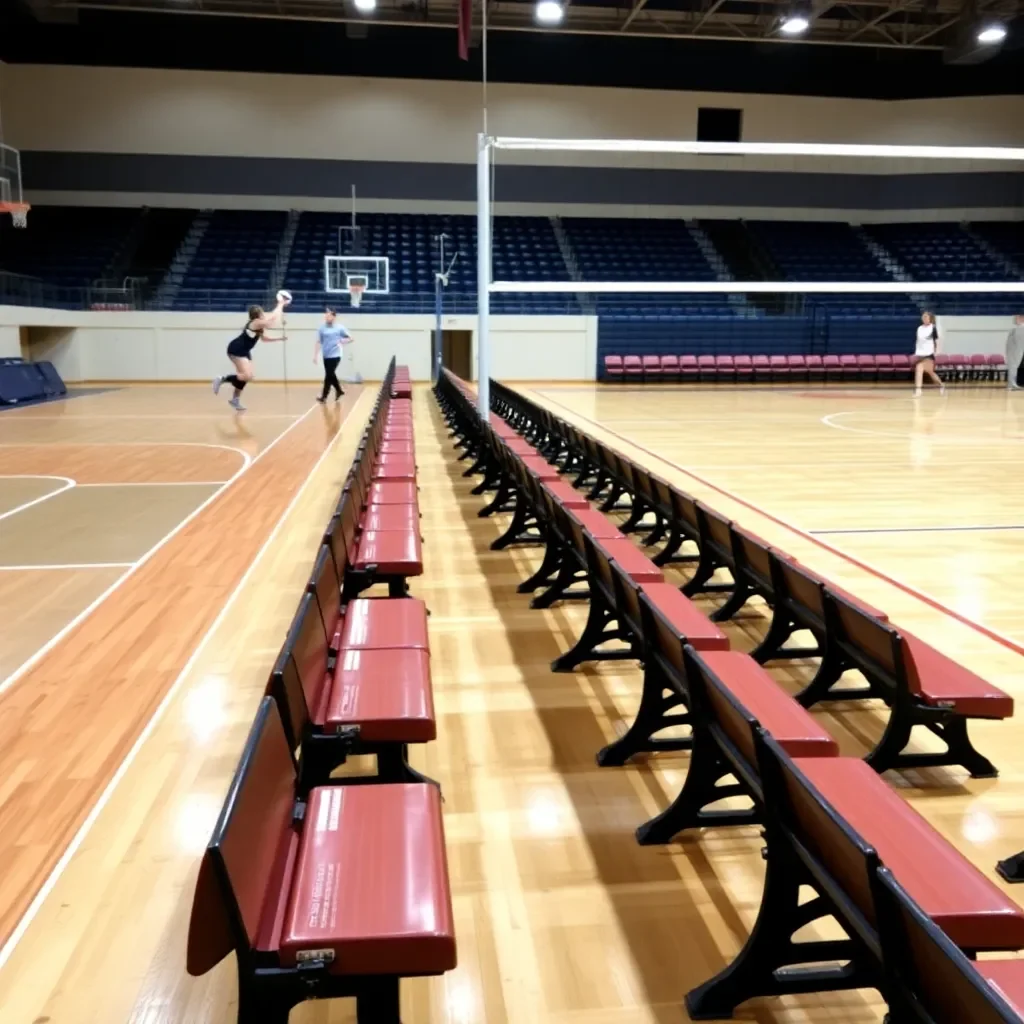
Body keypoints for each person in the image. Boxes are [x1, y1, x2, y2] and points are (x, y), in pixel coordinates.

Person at [212, 294, 290, 411]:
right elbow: (272, 319)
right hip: (236, 349)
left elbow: (264, 339)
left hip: (245, 350)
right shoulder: (256, 322)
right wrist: (280, 305)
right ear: (258, 315)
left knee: (246, 377)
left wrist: (279, 339)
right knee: (246, 375)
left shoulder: (259, 325)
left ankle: (235, 400)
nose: (264, 314)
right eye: (262, 313)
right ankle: (222, 378)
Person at [313, 307, 351, 403]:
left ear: (334, 317)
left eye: (329, 315)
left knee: (329, 374)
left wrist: (343, 341)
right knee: (330, 375)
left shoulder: (340, 328)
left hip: (336, 354)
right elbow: (318, 342)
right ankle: (339, 390)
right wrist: (315, 355)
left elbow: (350, 338)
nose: (326, 316)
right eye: (326, 315)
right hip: (326, 355)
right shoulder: (322, 328)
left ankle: (324, 396)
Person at [913, 311, 945, 398]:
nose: (924, 318)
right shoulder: (919, 328)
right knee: (925, 371)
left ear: (930, 318)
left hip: (929, 354)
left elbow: (937, 340)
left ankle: (920, 390)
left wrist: (937, 350)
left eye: (926, 317)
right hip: (920, 353)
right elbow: (918, 341)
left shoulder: (933, 328)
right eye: (923, 317)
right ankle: (940, 385)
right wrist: (916, 352)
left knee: (924, 370)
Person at [1005, 314, 1024, 391]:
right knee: (1013, 367)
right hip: (1015, 351)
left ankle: (1012, 384)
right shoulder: (1019, 329)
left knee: (1013, 367)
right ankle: (1011, 385)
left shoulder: (1017, 329)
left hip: (1014, 351)